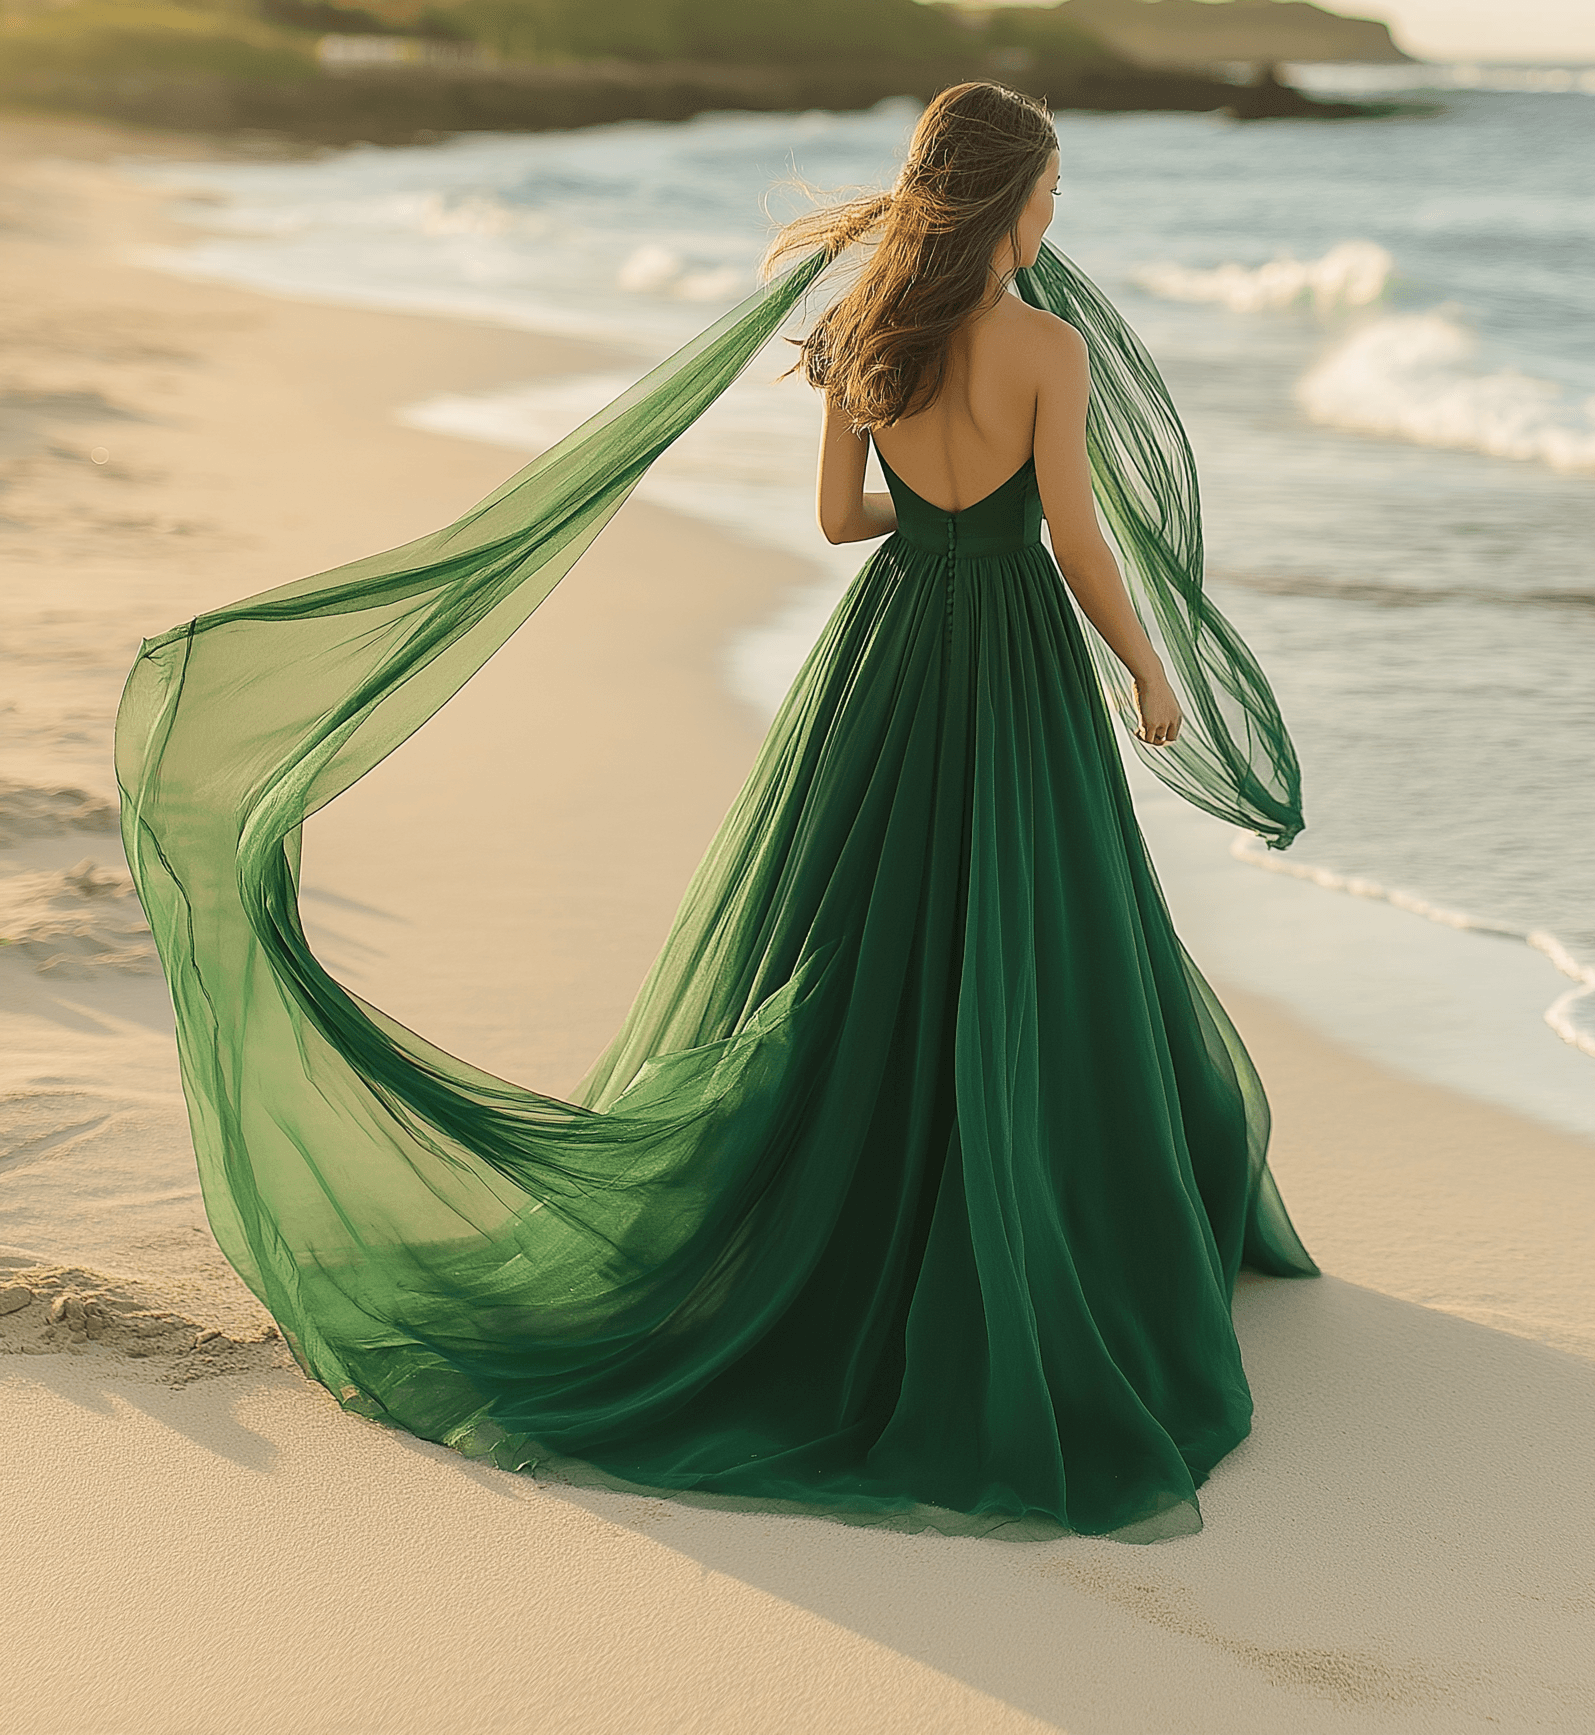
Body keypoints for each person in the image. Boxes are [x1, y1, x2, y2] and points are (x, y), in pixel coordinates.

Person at [116, 78, 1315, 1545]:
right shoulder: (1048, 350)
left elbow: (838, 521)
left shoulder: (865, 332)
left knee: (862, 921)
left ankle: (840, 1202)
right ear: (1008, 198)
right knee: (1030, 917)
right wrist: (1146, 668)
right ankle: (1028, 1203)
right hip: (1008, 658)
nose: (1055, 219)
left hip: (892, 648)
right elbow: (1072, 533)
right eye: (1051, 193)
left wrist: (938, 515)